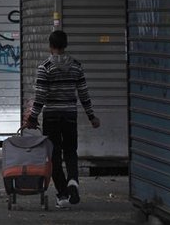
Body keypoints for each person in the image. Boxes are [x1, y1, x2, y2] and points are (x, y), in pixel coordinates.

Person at [23, 30, 101, 209]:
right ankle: (73, 180)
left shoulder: (45, 67)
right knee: (71, 151)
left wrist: (33, 118)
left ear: (50, 46)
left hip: (51, 116)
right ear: (65, 45)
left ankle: (63, 195)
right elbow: (83, 93)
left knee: (54, 155)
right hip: (70, 114)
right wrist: (91, 116)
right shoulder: (76, 66)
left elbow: (40, 95)